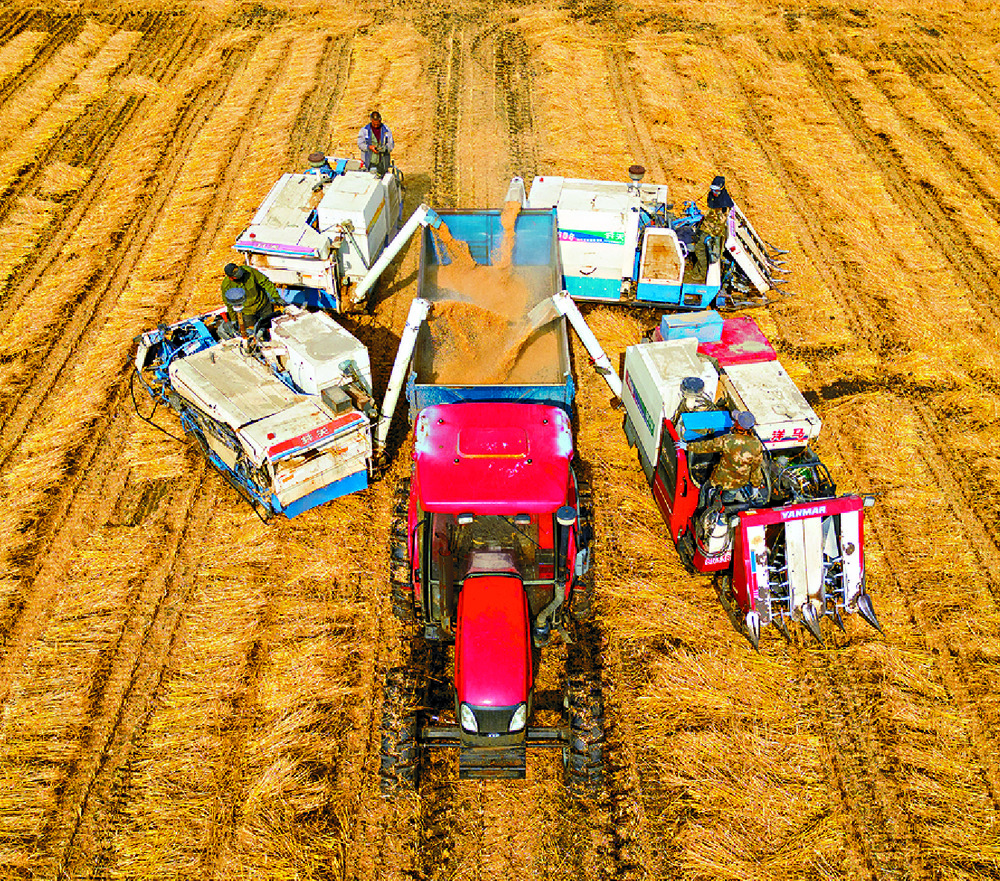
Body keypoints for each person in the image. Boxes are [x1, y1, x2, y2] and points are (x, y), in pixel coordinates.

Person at [676, 410, 766, 509]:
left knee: (705, 490)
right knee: (727, 502)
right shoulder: (757, 445)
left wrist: (687, 446)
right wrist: (755, 487)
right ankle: (721, 514)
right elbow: (756, 469)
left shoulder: (728, 440)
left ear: (738, 425)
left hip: (720, 479)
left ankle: (701, 510)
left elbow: (707, 446)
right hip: (738, 483)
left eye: (735, 420)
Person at [221, 263, 282, 333]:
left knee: (272, 327)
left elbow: (265, 282)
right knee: (252, 332)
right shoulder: (227, 286)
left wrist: (276, 296)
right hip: (247, 312)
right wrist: (234, 320)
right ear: (231, 278)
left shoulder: (249, 271)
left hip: (263, 305)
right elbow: (229, 304)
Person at [357, 110, 394, 176]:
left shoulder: (386, 130)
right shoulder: (364, 130)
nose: (376, 126)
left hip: (383, 163)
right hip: (369, 163)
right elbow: (360, 144)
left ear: (380, 121)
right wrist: (369, 147)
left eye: (378, 124)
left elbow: (391, 145)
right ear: (371, 121)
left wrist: (384, 149)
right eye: (374, 124)